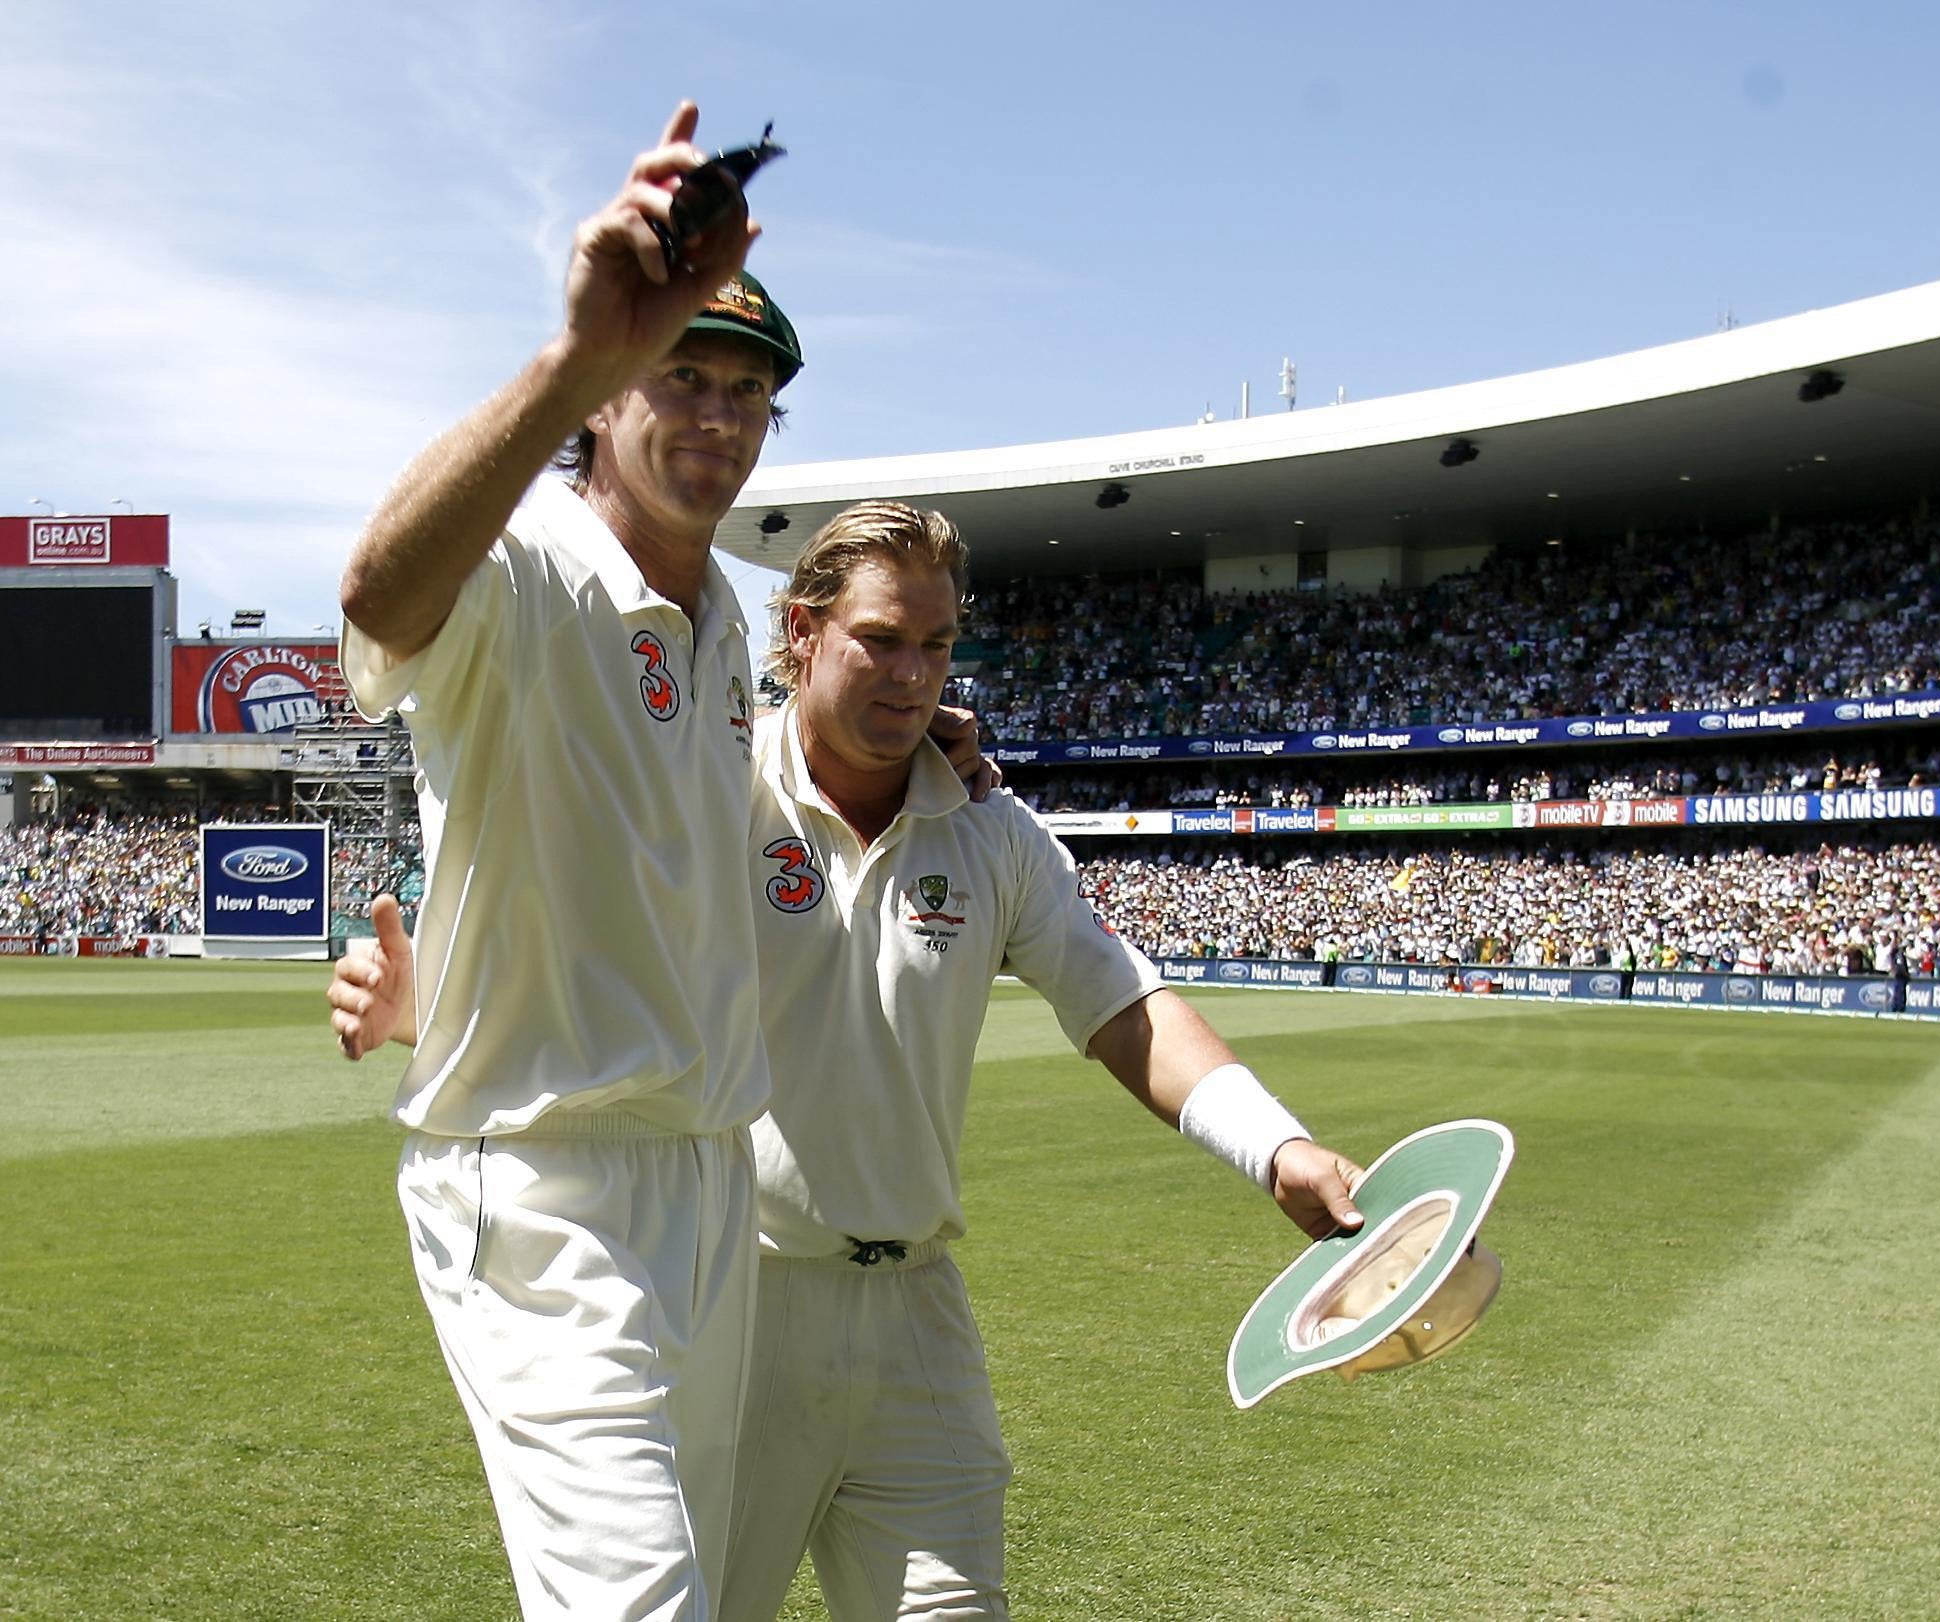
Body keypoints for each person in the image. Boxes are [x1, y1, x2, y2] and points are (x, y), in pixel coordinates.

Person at [334, 501, 1364, 1620]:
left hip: (917, 1320)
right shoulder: (708, 792)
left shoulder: (991, 830)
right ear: (800, 635)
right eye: (879, 638)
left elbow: (1121, 1004)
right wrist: (427, 1004)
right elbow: (579, 943)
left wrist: (1278, 1148)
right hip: (734, 1298)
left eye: (934, 645)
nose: (912, 673)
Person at [331, 105, 984, 1620]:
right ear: (613, 398)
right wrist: (574, 352)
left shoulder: (720, 626)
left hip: (708, 1187)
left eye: (744, 392)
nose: (712, 414)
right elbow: (376, 587)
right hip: (545, 1185)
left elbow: (654, 876)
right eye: (677, 375)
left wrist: (927, 736)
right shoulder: (530, 560)